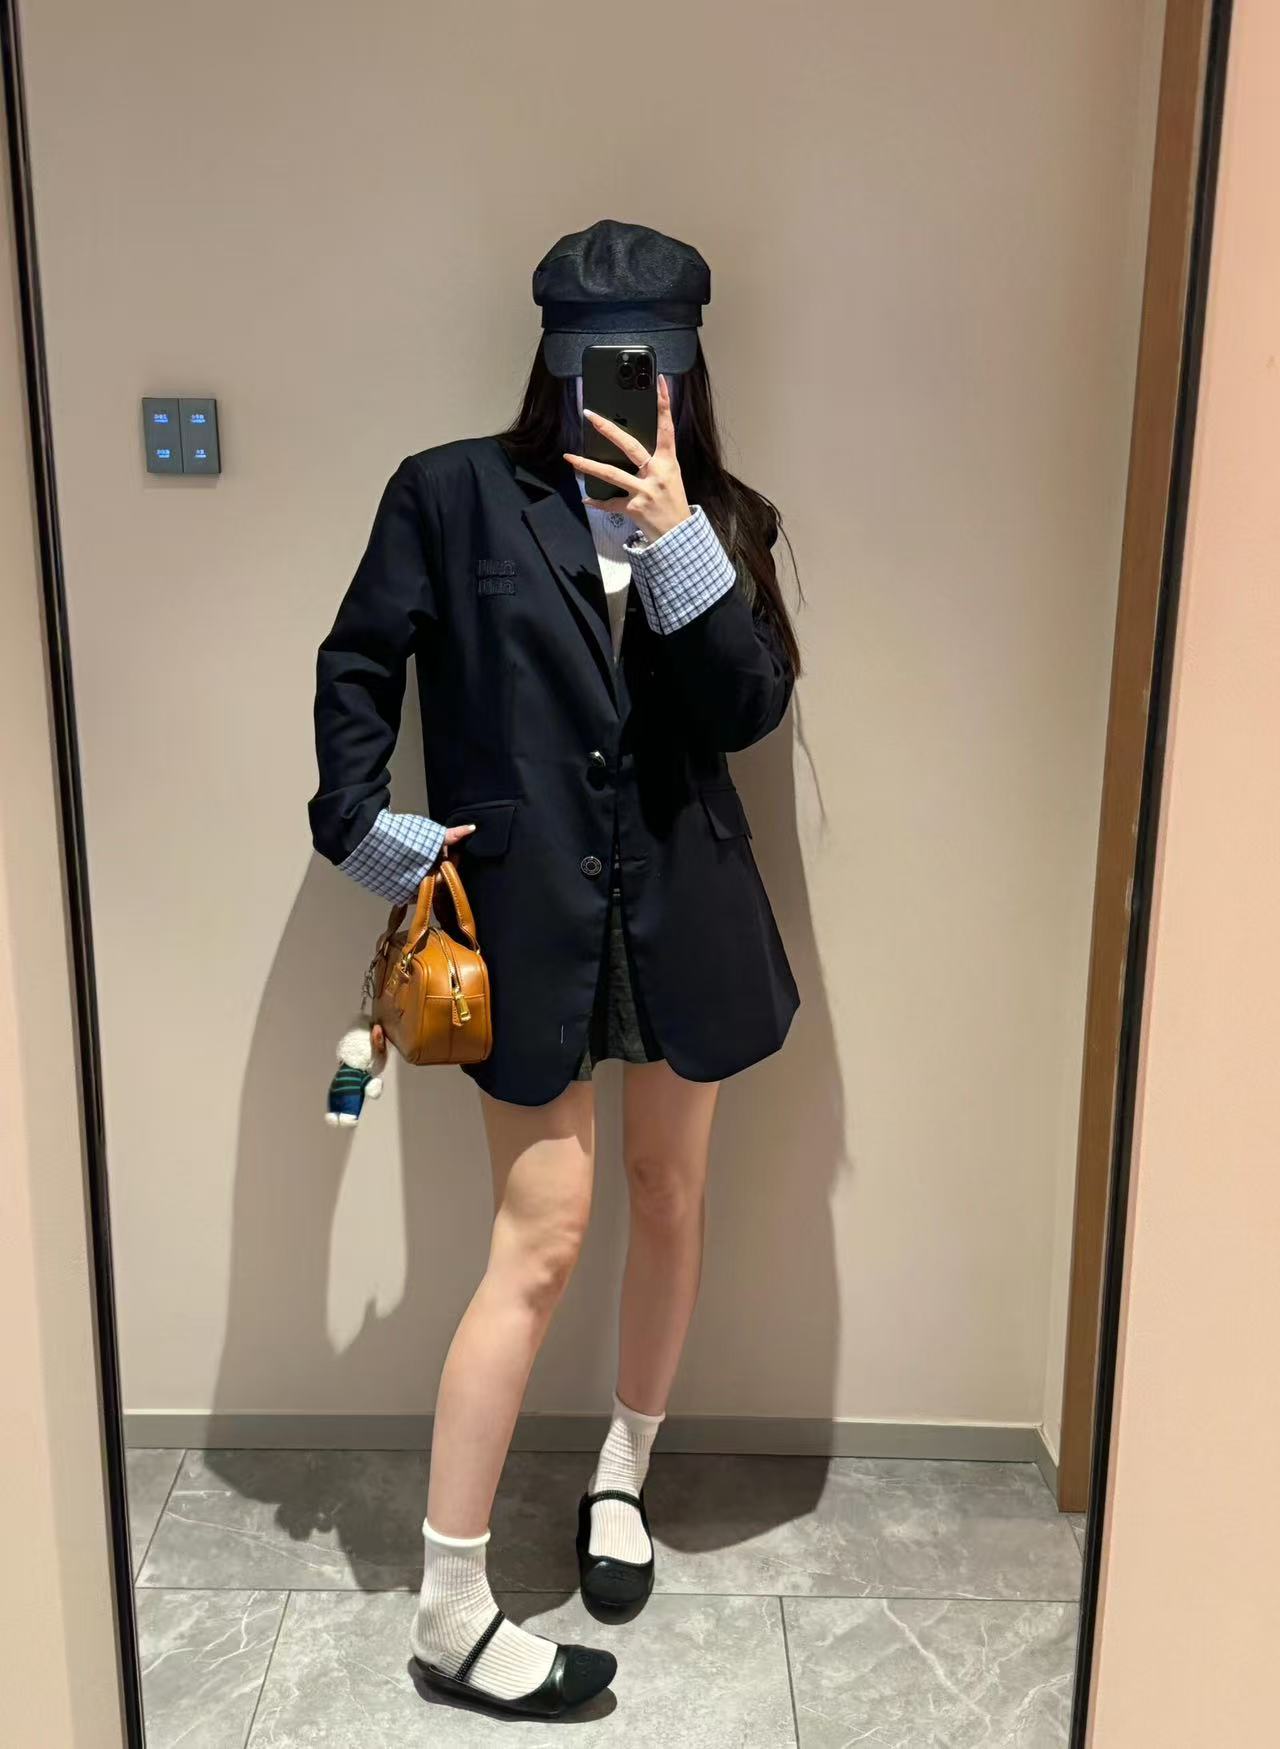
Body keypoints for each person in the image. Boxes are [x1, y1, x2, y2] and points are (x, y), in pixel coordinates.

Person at [308, 218, 801, 1719]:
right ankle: (450, 1607)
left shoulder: (725, 518)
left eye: (651, 367)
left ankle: (621, 1475)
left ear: (689, 372)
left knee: (668, 1194)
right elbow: (357, 662)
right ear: (550, 363)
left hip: (681, 910)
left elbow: (747, 712)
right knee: (541, 1235)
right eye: (597, 367)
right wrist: (371, 832)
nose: (624, 392)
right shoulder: (450, 491)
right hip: (522, 916)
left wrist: (681, 539)